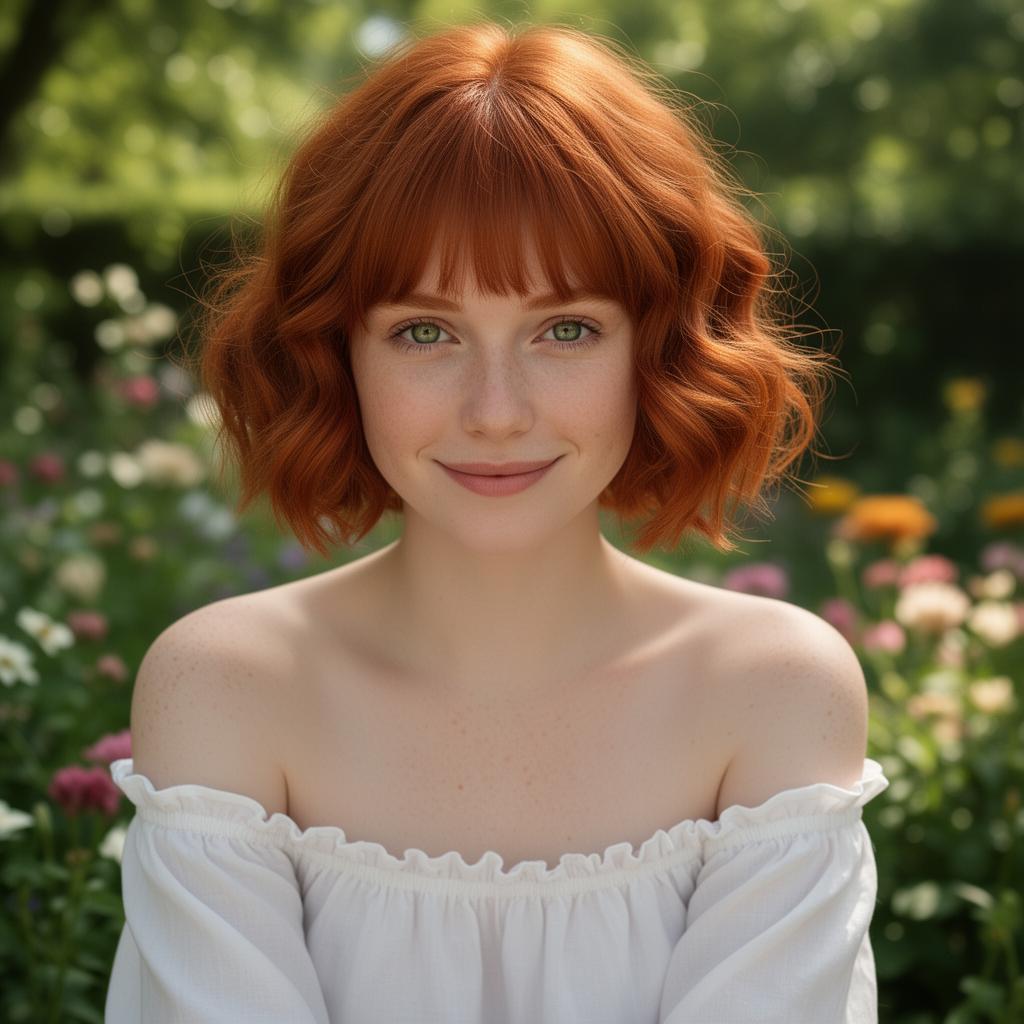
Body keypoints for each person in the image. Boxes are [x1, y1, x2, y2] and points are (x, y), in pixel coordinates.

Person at [104, 18, 889, 1023]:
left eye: (565, 329)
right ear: (333, 351)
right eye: (424, 331)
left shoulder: (773, 692)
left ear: (659, 348)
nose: (495, 409)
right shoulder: (225, 689)